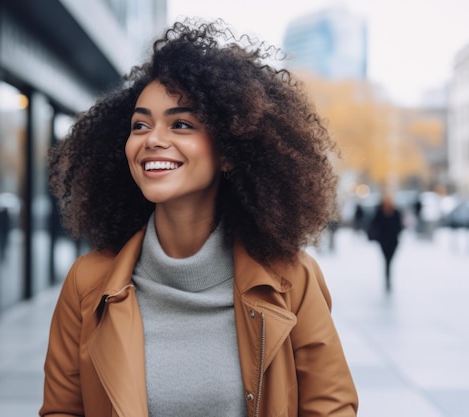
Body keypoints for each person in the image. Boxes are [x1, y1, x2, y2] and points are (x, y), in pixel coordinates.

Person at [40, 19, 358, 417]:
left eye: (181, 124)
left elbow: (330, 409)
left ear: (227, 151)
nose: (152, 139)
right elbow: (62, 410)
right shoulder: (87, 284)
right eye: (140, 125)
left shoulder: (292, 280)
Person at [368, 194, 404, 292]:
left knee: (389, 261)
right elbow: (374, 224)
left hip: (393, 242)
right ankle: (387, 280)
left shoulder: (396, 212)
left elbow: (400, 226)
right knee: (386, 261)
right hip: (383, 242)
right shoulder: (380, 212)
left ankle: (388, 279)